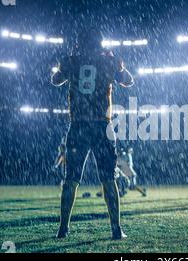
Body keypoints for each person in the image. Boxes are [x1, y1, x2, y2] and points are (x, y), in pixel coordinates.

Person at [51, 27, 134, 240]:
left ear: (80, 42)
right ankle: (116, 229)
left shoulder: (71, 60)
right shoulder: (109, 60)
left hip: (78, 125)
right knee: (108, 178)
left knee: (71, 179)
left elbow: (55, 80)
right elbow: (128, 80)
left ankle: (63, 228)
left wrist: (63, 66)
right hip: (101, 125)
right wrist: (117, 62)